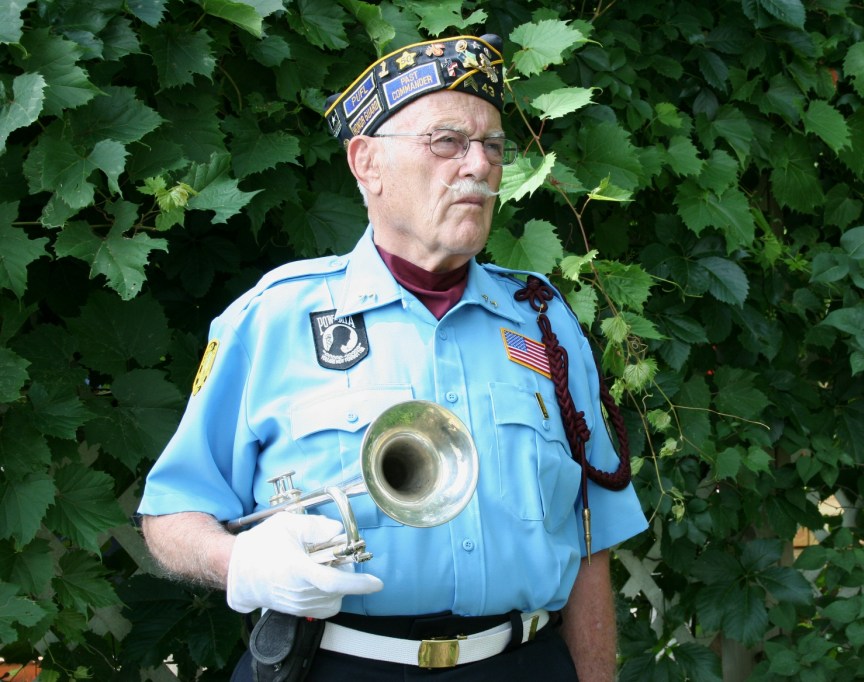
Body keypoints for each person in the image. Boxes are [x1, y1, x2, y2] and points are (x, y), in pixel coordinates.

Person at [138, 34, 648, 682]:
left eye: (492, 146)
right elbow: (170, 513)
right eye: (446, 142)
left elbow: (589, 546)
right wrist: (240, 564)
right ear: (366, 163)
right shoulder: (273, 319)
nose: (478, 166)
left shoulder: (543, 323)